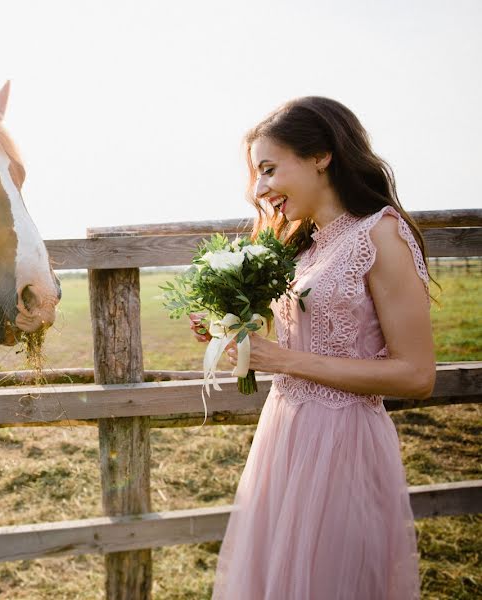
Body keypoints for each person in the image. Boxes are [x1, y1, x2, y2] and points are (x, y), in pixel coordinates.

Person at [194, 96, 435, 600]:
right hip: (286, 435)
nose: (259, 190)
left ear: (320, 155)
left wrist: (280, 360)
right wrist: (233, 333)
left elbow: (416, 375)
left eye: (269, 169)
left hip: (342, 444)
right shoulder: (309, 245)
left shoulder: (381, 235)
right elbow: (313, 329)